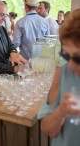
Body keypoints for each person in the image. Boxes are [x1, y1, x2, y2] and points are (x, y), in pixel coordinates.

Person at [37, 8, 80, 146]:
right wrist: (61, 111)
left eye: (78, 59)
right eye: (66, 55)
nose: (71, 65)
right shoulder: (62, 73)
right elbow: (47, 129)